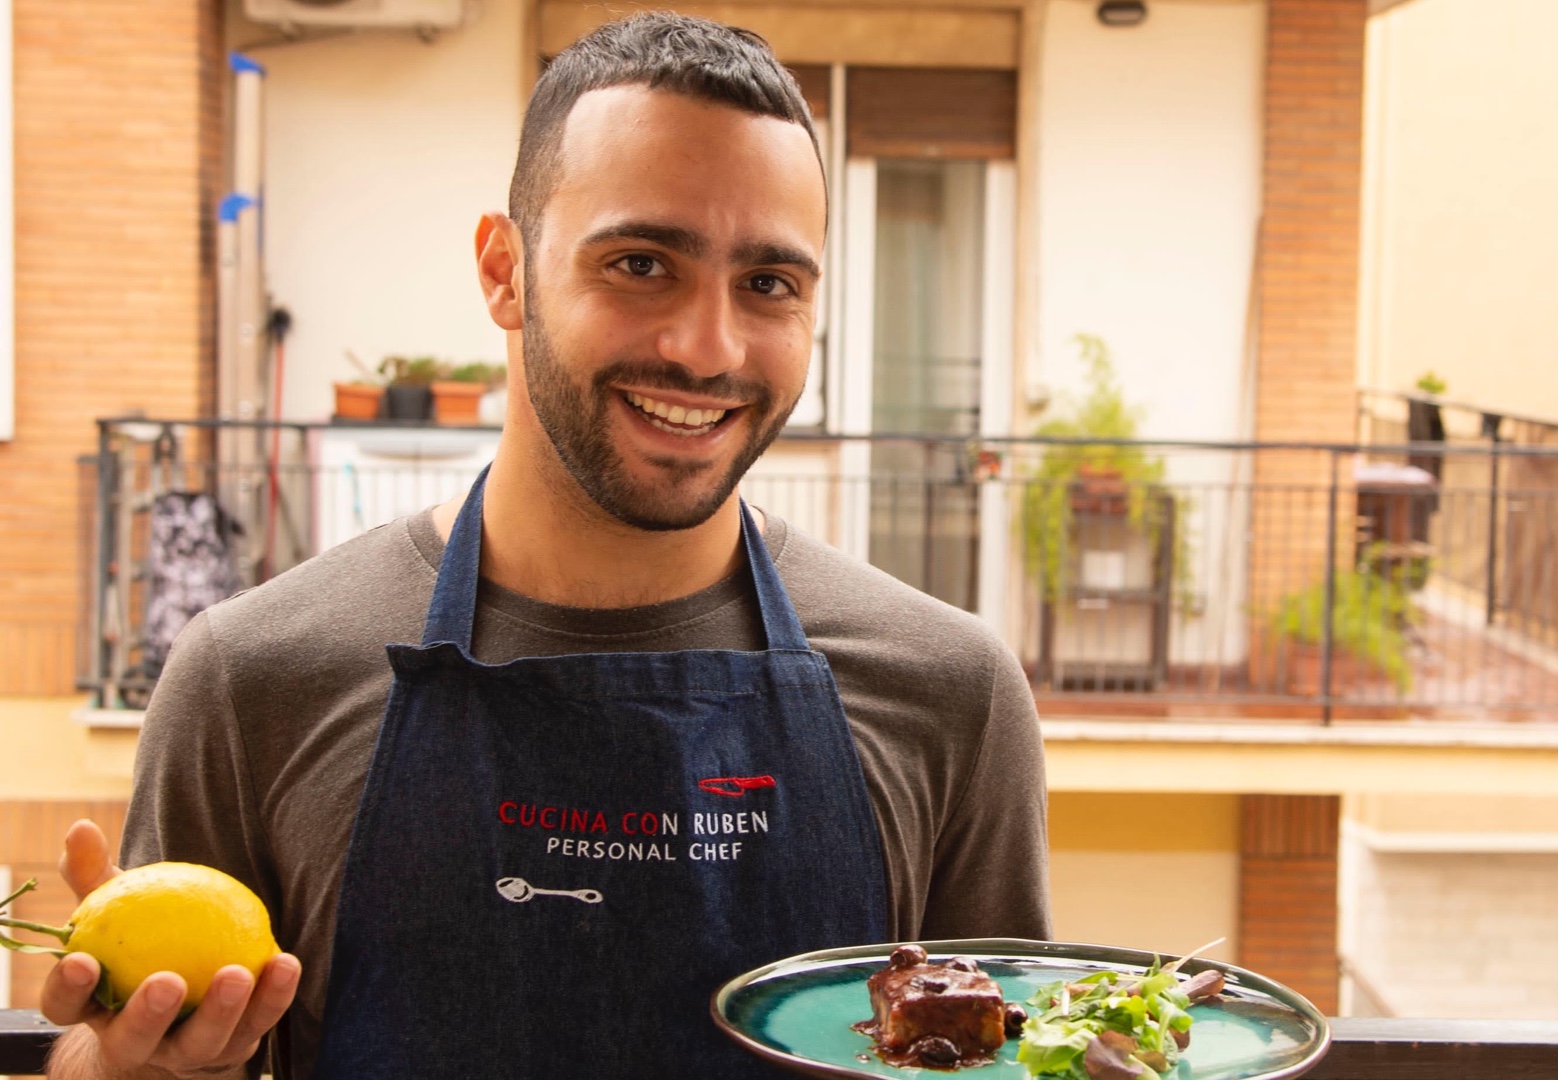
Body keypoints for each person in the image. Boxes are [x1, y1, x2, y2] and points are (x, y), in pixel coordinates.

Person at [41, 13, 1050, 1079]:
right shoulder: (254, 680)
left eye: (768, 284)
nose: (707, 346)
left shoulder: (950, 695)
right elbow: (145, 1056)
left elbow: (1020, 1064)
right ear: (503, 271)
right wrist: (118, 1067)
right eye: (642, 262)